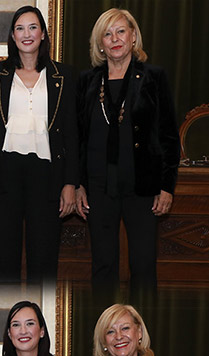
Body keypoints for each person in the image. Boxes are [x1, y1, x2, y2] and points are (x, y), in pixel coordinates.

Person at [75, 7, 180, 290]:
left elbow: (169, 136)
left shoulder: (154, 77)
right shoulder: (87, 81)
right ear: (100, 44)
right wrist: (78, 184)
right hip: (99, 187)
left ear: (133, 37)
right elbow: (79, 139)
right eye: (107, 34)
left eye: (121, 31)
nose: (115, 39)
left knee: (143, 265)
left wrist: (167, 186)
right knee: (103, 265)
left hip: (143, 187)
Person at [0, 6, 78, 283]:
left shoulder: (64, 76)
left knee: (43, 260)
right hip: (3, 172)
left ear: (43, 34)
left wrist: (71, 183)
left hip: (47, 174)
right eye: (20, 28)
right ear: (12, 35)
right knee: (4, 261)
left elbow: (71, 133)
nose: (26, 34)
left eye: (33, 27)